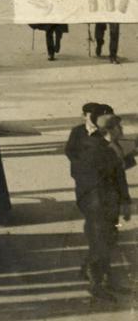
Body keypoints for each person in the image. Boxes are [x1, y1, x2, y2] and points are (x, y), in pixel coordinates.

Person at [70, 112, 133, 299]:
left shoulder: (109, 147)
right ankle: (96, 285)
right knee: (101, 244)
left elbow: (119, 175)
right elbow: (102, 180)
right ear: (109, 130)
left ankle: (103, 279)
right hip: (100, 207)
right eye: (118, 128)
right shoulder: (98, 151)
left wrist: (125, 202)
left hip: (106, 205)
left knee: (107, 242)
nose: (122, 131)